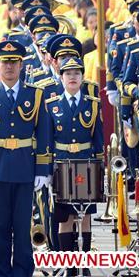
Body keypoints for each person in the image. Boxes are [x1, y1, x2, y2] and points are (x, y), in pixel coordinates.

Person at [0, 40, 52, 277]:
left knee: (22, 229)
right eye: (4, 62)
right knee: (0, 229)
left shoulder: (35, 95)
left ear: (21, 65)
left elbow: (43, 133)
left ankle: (22, 276)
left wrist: (42, 169)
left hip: (25, 169)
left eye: (13, 62)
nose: (9, 67)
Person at [42, 55, 103, 261]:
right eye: (68, 74)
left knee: (85, 217)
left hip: (86, 166)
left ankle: (82, 266)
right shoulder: (52, 105)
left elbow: (99, 141)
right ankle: (68, 265)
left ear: (83, 77)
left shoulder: (93, 105)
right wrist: (48, 172)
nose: (72, 77)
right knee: (65, 219)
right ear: (61, 78)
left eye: (77, 73)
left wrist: (99, 170)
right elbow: (47, 141)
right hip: (62, 165)